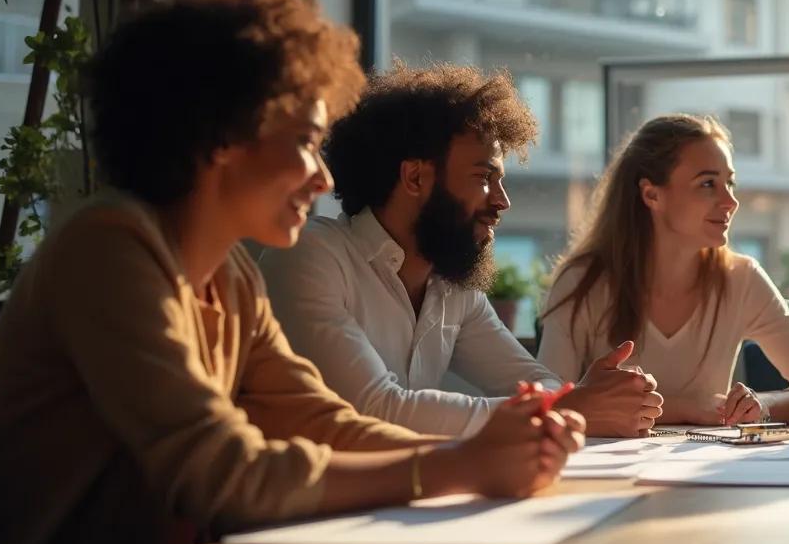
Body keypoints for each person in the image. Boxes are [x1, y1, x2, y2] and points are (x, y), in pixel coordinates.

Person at [0, 0, 582, 544]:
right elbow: (219, 469)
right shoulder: (108, 248)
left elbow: (325, 423)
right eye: (303, 141)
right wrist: (459, 465)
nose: (322, 178)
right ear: (219, 136)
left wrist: (486, 451)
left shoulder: (232, 277)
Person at [258, 63, 661, 439]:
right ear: (415, 177)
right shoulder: (308, 256)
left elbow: (540, 384)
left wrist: (592, 400)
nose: (502, 201)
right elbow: (372, 410)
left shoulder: (453, 287)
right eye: (484, 177)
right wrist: (568, 407)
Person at [538, 114, 789, 425]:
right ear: (652, 195)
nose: (731, 201)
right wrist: (690, 408)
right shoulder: (582, 282)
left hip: (705, 471)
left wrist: (761, 405)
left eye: (730, 183)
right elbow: (546, 404)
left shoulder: (741, 279)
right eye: (707, 184)